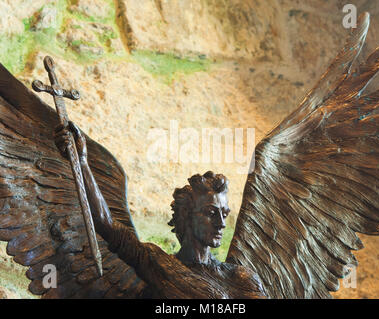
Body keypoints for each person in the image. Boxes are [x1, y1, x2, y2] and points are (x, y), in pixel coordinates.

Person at [54, 122, 266, 298]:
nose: (221, 223)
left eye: (224, 214)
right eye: (211, 214)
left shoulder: (240, 278)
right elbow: (105, 223)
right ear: (187, 215)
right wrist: (82, 162)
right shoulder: (157, 264)